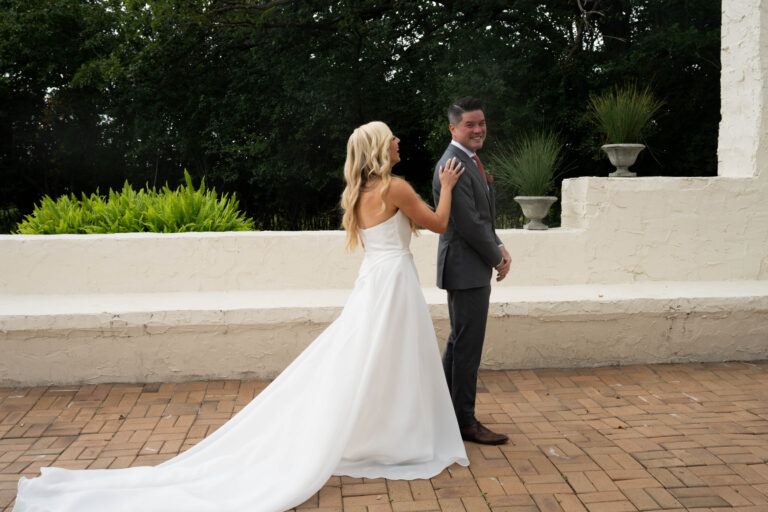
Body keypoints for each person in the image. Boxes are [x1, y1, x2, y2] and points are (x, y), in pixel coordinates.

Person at [12, 121, 469, 512]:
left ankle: (381, 434)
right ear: (378, 146)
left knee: (364, 361)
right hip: (392, 284)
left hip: (375, 283)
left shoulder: (360, 193)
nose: (397, 143)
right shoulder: (396, 187)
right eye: (392, 139)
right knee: (392, 362)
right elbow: (438, 224)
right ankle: (396, 437)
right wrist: (446, 187)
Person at [433, 97, 512, 445]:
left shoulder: (470, 159)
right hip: (465, 268)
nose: (478, 129)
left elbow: (483, 217)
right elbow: (467, 223)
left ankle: (446, 412)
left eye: (481, 123)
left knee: (459, 342)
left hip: (470, 266)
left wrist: (499, 245)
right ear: (453, 128)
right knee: (468, 347)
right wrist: (496, 256)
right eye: (470, 124)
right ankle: (464, 421)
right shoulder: (453, 163)